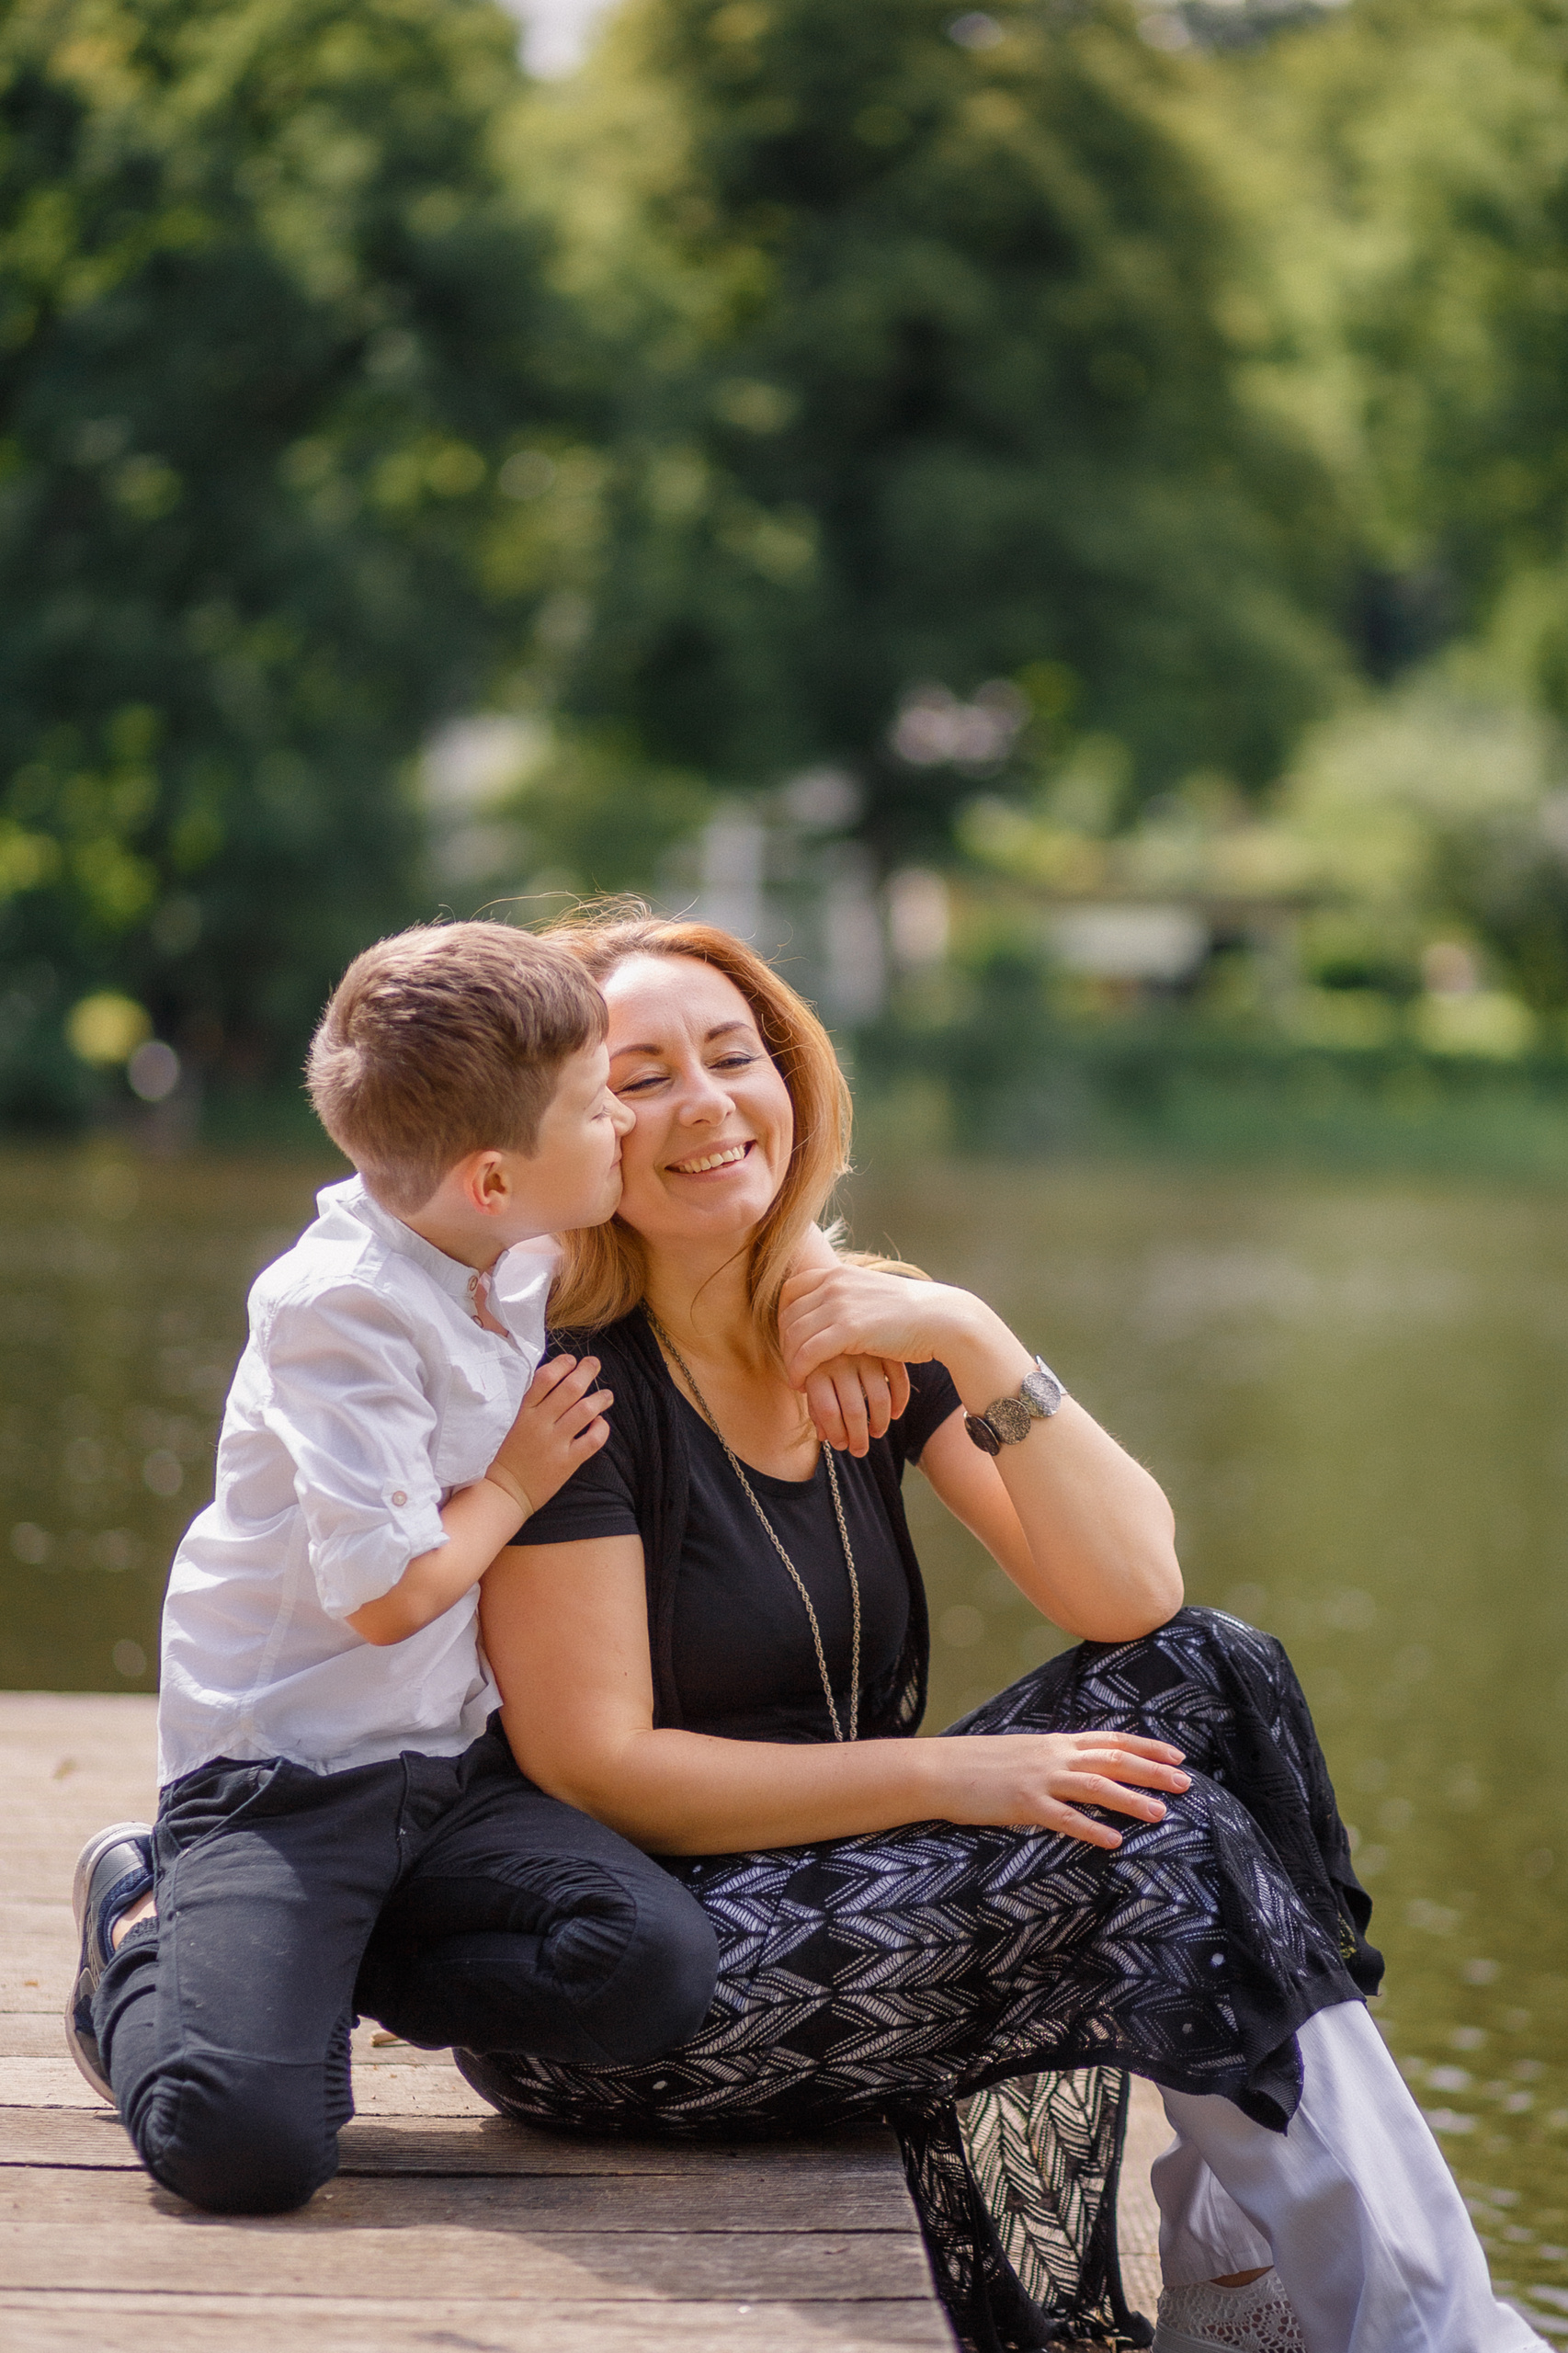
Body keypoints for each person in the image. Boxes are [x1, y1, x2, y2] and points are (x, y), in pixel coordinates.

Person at [460, 907, 1545, 2353]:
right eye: (642, 1077)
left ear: (795, 1078)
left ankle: (1243, 2280)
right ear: (576, 1129)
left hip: (832, 1895)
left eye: (733, 1055)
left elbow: (1129, 1595)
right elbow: (599, 1766)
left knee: (1213, 1672)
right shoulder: (576, 1390)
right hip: (634, 1986)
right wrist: (956, 1776)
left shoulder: (856, 1337)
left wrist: (970, 1336)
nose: (707, 1106)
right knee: (1149, 1843)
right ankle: (1430, 2335)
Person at [65, 920, 721, 2216]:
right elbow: (385, 1597)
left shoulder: (515, 1248)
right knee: (246, 2147)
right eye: (599, 1109)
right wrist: (517, 1484)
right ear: (488, 1178)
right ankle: (143, 1941)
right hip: (285, 1780)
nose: (627, 1131)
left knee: (651, 1968)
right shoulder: (337, 1308)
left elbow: (713, 1247)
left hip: (449, 1770)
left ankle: (296, 1968)